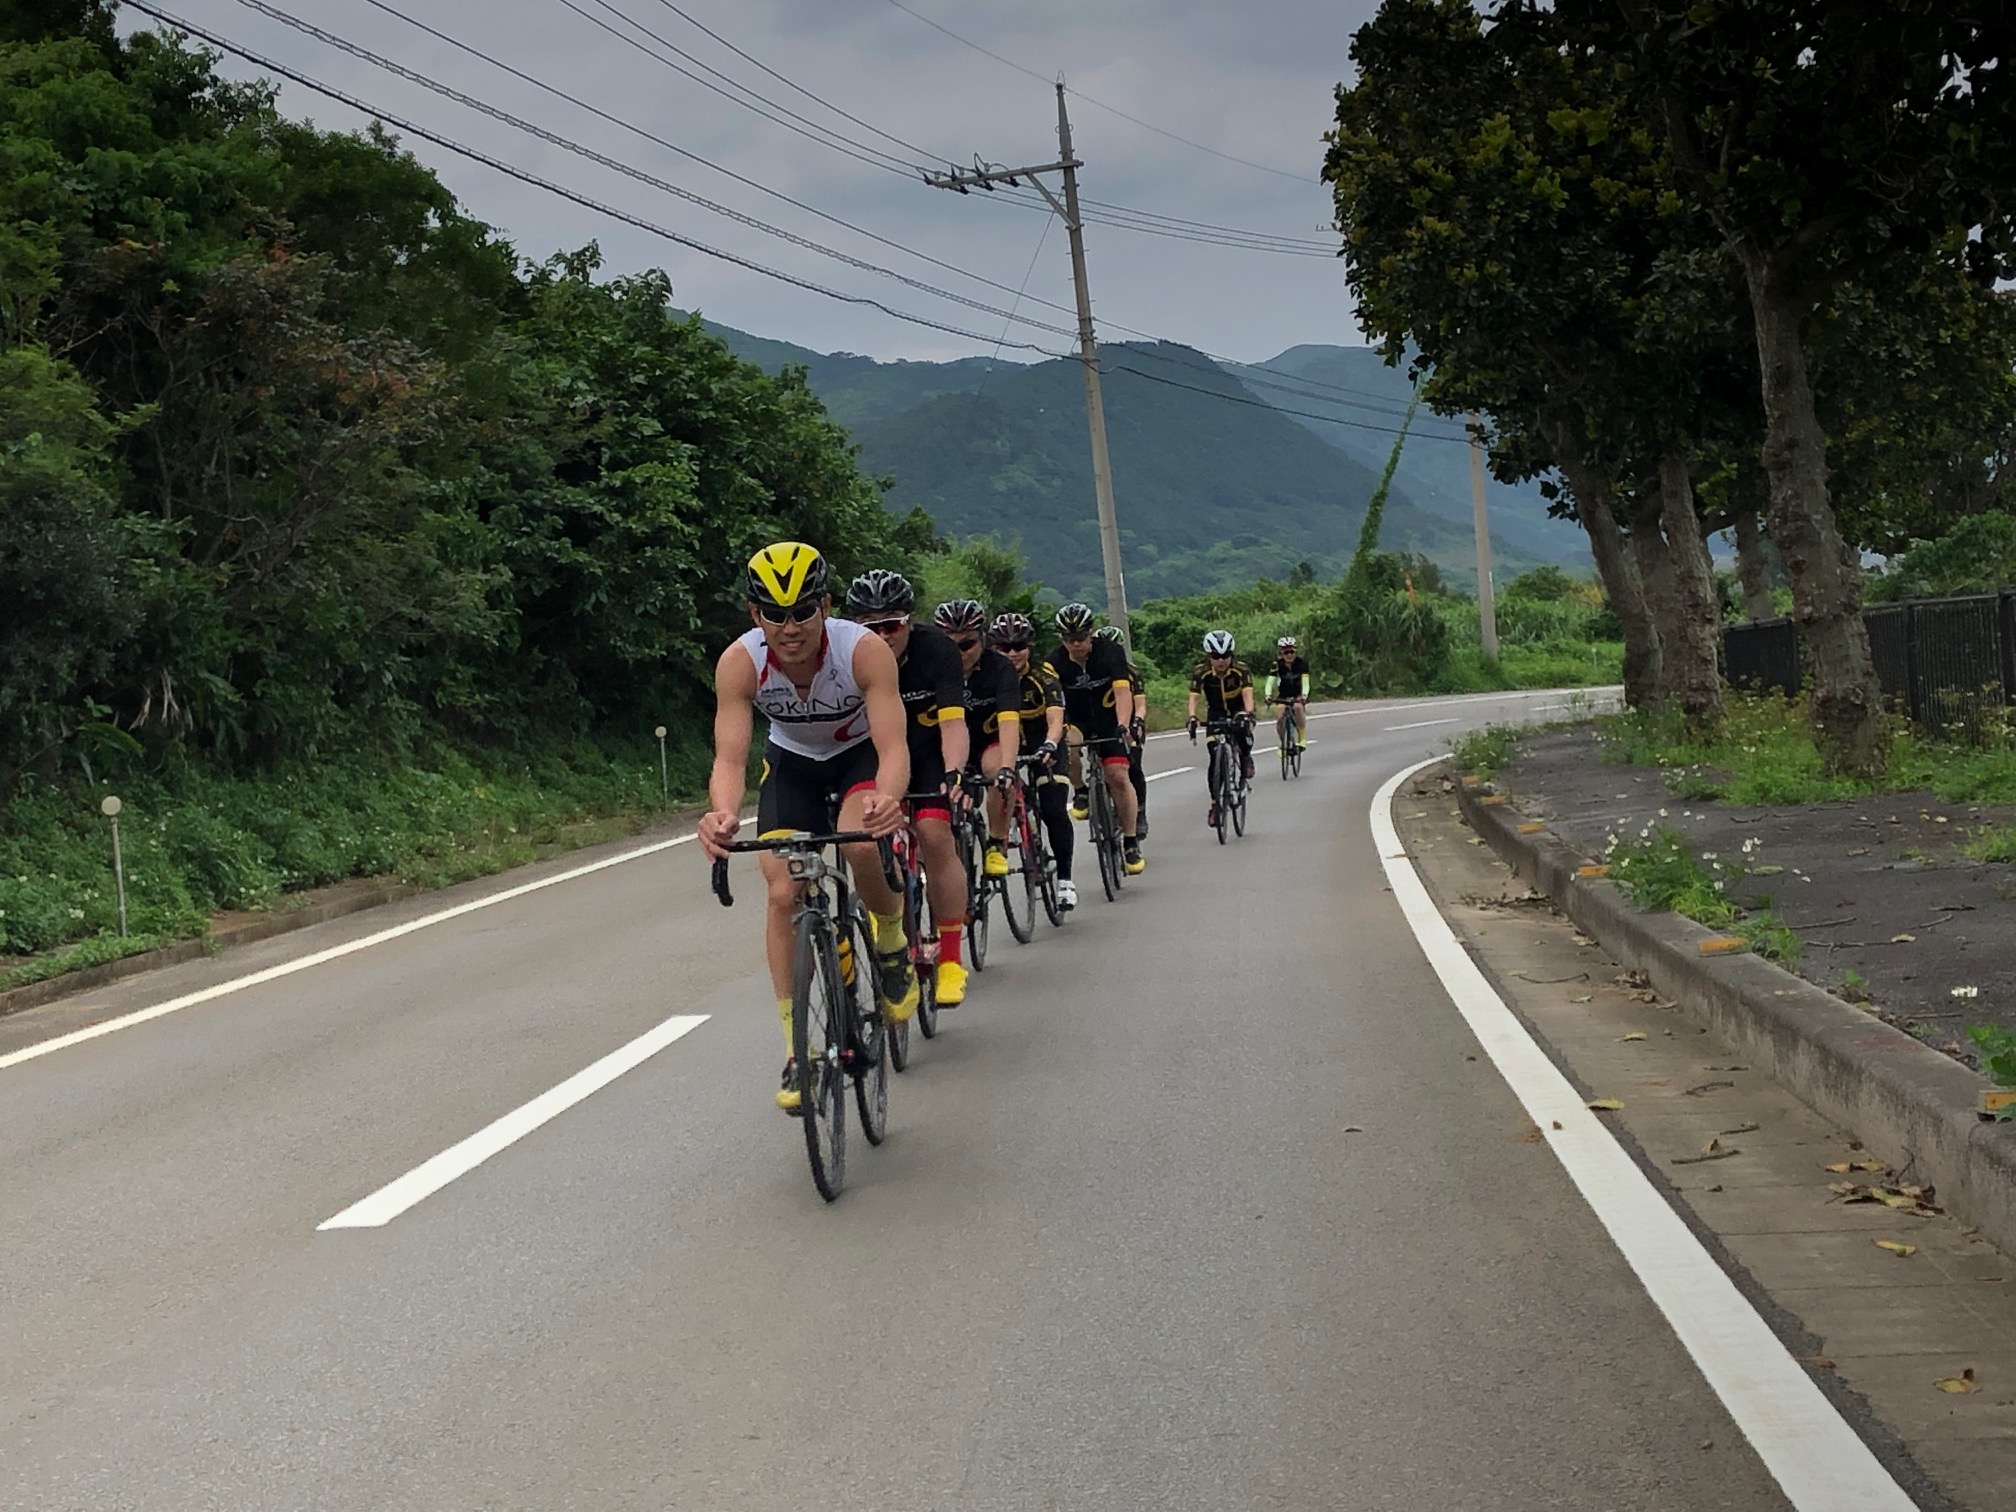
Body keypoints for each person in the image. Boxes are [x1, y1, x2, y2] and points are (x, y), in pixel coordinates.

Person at [697, 543, 916, 1112]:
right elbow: (730, 758)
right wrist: (722, 814)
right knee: (781, 892)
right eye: (774, 613)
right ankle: (801, 1052)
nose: (789, 628)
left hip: (857, 758)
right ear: (755, 615)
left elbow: (893, 744)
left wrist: (889, 799)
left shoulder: (863, 652)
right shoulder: (740, 663)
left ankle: (891, 942)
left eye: (802, 613)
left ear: (825, 607)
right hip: (791, 765)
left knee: (863, 845)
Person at [844, 569, 974, 1008]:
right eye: (870, 627)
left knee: (936, 836)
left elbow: (953, 722)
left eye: (892, 625)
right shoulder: (847, 656)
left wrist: (955, 771)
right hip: (873, 757)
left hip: (928, 754)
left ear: (910, 621)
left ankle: (952, 959)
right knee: (863, 837)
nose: (883, 635)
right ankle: (892, 928)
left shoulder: (936, 650)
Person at [1045, 603, 1144, 875]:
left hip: (1109, 719)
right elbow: (1054, 704)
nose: (1076, 644)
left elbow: (1123, 693)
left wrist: (1124, 725)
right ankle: (1081, 791)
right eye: (1069, 639)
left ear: (1092, 634)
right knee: (1070, 746)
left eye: (1081, 637)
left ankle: (1131, 842)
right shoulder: (1054, 662)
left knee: (1119, 776)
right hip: (1076, 720)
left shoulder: (1110, 652)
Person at [935, 600, 1024, 886]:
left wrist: (1008, 768)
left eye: (967, 645)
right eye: (950, 645)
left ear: (982, 639)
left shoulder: (1000, 668)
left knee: (997, 771)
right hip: (947, 746)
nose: (959, 653)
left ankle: (996, 843)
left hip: (988, 741)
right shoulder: (930, 669)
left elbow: (1009, 719)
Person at [991, 612, 1076, 909]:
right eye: (1004, 647)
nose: (1013, 652)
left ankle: (1065, 880)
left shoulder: (1044, 677)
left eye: (1019, 645)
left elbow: (1055, 716)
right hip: (1007, 750)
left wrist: (1052, 742)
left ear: (1029, 646)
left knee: (1054, 808)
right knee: (1008, 794)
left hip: (1045, 747)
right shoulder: (988, 679)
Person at [1186, 628, 1256, 826]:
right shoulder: (1201, 672)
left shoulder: (1241, 669)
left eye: (1225, 655)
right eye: (1216, 656)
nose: (1221, 660)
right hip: (1216, 712)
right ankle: (1216, 804)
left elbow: (1248, 695)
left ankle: (1245, 757)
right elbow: (1194, 697)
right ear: (1209, 656)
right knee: (1214, 755)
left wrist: (1249, 714)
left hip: (1238, 709)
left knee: (1242, 731)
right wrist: (1192, 717)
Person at [1096, 624, 1150, 841]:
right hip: (1103, 722)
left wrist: (1136, 721)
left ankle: (1140, 813)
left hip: (1130, 722)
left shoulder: (1130, 672)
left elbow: (1140, 703)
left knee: (1133, 765)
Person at [1267, 634, 1311, 751]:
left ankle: (1301, 739)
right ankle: (1283, 744)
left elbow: (1305, 682)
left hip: (1297, 694)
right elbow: (1270, 682)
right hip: (1283, 695)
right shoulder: (1276, 665)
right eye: (1286, 652)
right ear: (1281, 653)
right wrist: (1268, 695)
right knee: (1280, 717)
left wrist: (1304, 695)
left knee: (1297, 708)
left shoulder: (1301, 663)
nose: (1290, 655)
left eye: (1292, 652)